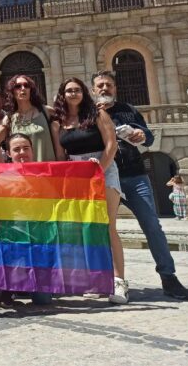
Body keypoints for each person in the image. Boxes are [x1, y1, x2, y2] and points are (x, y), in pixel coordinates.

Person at [91, 70, 188, 300]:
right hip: (105, 179)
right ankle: (104, 279)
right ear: (93, 90)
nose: (105, 88)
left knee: (152, 225)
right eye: (100, 85)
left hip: (134, 176)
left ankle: (168, 277)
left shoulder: (128, 110)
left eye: (108, 85)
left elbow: (149, 137)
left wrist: (140, 134)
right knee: (101, 230)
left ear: (115, 88)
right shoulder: (89, 113)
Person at [50, 77, 127, 304]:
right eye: (69, 91)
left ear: (84, 93)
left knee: (108, 225)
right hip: (76, 173)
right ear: (63, 95)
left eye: (77, 90)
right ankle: (98, 278)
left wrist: (99, 170)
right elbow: (60, 155)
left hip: (103, 168)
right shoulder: (58, 122)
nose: (73, 94)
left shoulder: (97, 114)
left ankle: (119, 281)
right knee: (86, 227)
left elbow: (111, 144)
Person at [0, 133, 53, 308]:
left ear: (32, 150)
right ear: (8, 153)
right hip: (12, 239)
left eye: (26, 148)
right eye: (17, 149)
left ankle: (30, 282)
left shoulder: (45, 175)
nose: (22, 152)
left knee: (43, 301)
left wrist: (90, 167)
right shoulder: (0, 177)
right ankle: (9, 287)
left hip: (38, 239)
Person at [0, 75, 56, 162]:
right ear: (12, 91)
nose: (23, 88)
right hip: (23, 169)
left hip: (47, 168)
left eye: (26, 85)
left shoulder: (46, 111)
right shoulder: (9, 118)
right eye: (18, 86)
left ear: (31, 90)